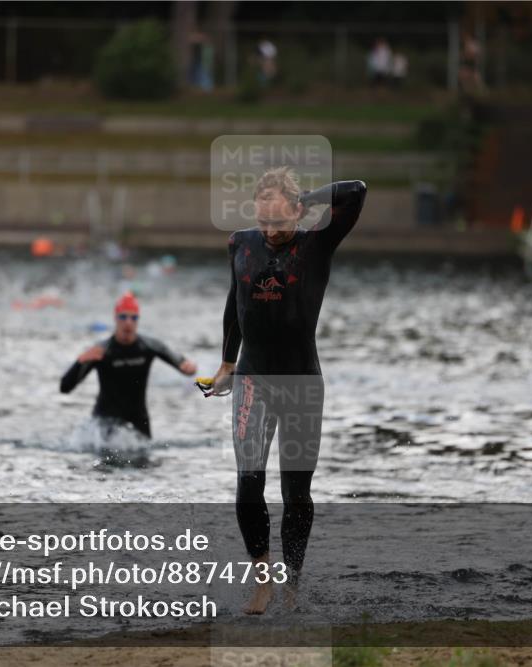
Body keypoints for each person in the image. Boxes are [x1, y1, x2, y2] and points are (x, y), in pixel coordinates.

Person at [206, 167, 367, 614]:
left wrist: (308, 198)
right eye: (264, 221)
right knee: (248, 481)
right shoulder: (241, 243)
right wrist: (227, 362)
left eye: (279, 221)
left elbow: (356, 192)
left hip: (301, 383)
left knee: (296, 492)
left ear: (298, 211)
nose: (271, 231)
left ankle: (292, 584)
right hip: (253, 379)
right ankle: (263, 581)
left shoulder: (317, 243)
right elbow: (235, 301)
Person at [61, 292, 197, 438]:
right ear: (115, 318)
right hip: (106, 420)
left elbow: (182, 364)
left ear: (138, 320)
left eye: (133, 318)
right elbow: (65, 388)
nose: (128, 322)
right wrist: (80, 361)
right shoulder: (101, 351)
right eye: (123, 317)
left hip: (138, 419)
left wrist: (188, 368)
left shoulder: (149, 346)